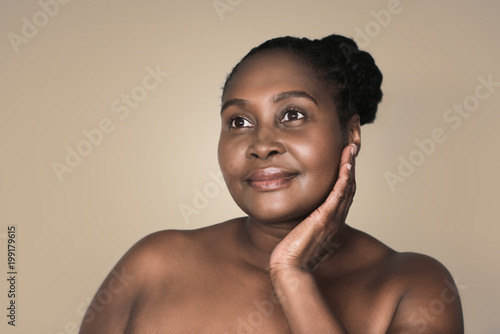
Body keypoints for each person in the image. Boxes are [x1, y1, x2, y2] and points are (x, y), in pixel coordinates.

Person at [79, 34, 464, 333]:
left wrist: (292, 275)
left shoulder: (413, 286)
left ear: (351, 133)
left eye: (292, 114)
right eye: (239, 122)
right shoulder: (153, 264)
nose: (261, 145)